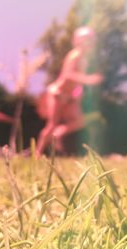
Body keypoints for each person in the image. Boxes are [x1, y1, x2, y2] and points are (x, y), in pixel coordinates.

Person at [36, 26, 103, 156]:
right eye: (87, 39)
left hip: (69, 97)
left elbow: (76, 81)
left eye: (91, 40)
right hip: (57, 94)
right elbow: (68, 74)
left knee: (79, 122)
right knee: (51, 125)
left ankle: (59, 133)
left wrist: (78, 91)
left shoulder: (84, 59)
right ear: (79, 41)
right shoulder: (75, 55)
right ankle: (37, 154)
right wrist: (88, 79)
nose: (90, 43)